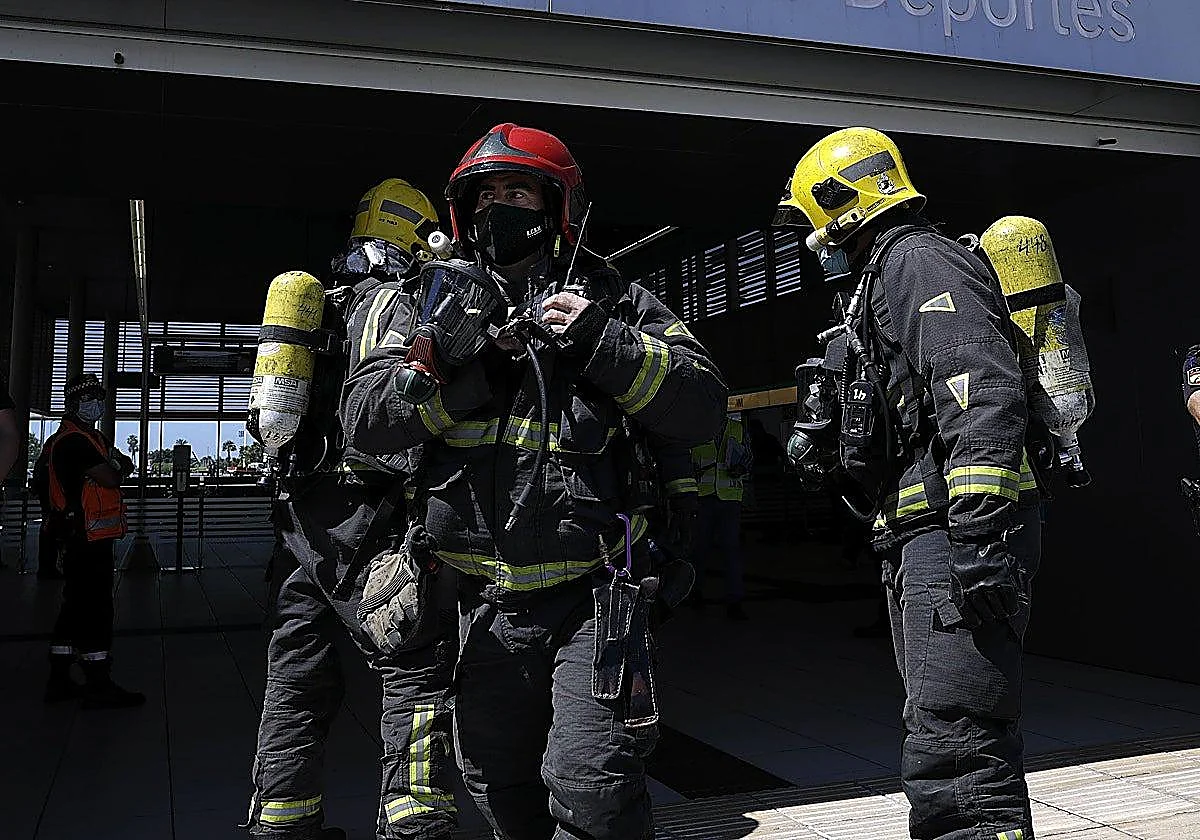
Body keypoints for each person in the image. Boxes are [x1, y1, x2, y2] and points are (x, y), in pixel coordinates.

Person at [341, 123, 727, 840]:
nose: (498, 207)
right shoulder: (421, 302)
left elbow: (703, 406)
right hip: (479, 606)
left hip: (597, 597)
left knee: (592, 783)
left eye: (516, 191)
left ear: (558, 209)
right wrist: (454, 373)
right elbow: (362, 419)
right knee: (496, 779)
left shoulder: (619, 300)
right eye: (484, 195)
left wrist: (600, 341)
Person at [776, 127, 1041, 840]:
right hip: (922, 534)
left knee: (957, 752)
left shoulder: (918, 261)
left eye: (812, 223)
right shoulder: (879, 279)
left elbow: (979, 388)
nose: (813, 241)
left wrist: (981, 535)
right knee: (942, 727)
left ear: (841, 204)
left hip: (955, 536)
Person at [245, 179, 458, 840]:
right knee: (414, 667)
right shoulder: (397, 305)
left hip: (299, 521)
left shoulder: (318, 310)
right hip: (367, 518)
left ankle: (281, 820)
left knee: (296, 678)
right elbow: (398, 419)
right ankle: (415, 823)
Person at [42, 372, 143, 708]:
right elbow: (113, 476)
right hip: (85, 537)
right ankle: (98, 680)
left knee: (74, 605)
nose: (97, 404)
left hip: (82, 535)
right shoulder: (74, 442)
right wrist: (115, 465)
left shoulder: (86, 439)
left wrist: (115, 462)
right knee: (96, 607)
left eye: (100, 397)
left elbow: (117, 463)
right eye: (89, 399)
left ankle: (59, 678)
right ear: (73, 404)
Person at [690, 412, 752, 620]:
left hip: (729, 498)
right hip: (703, 496)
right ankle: (695, 592)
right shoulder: (696, 429)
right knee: (700, 550)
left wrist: (741, 468)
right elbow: (685, 461)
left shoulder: (737, 428)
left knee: (731, 551)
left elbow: (748, 459)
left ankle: (734, 600)